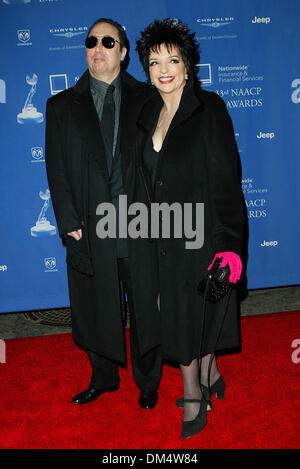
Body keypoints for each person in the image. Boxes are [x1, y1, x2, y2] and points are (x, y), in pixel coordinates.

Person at [135, 18, 246, 438]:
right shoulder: (148, 113)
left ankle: (194, 394)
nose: (164, 69)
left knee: (191, 316)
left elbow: (226, 182)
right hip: (161, 235)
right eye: (154, 61)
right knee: (178, 314)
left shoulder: (209, 108)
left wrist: (229, 245)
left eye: (173, 60)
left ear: (188, 65)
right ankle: (213, 371)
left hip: (201, 237)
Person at [45, 18, 162, 411]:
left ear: (124, 52)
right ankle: (103, 377)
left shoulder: (149, 98)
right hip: (89, 228)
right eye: (91, 40)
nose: (98, 47)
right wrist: (68, 222)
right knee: (95, 305)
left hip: (140, 224)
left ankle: (148, 381)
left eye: (108, 41)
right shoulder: (61, 105)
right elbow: (56, 169)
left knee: (146, 305)